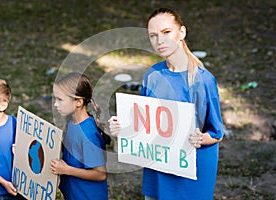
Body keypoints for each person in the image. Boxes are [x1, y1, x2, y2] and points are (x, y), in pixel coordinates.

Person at [108, 8, 224, 200]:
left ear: (182, 32)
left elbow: (216, 133)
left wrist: (201, 138)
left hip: (191, 172)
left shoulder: (203, 81)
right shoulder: (153, 76)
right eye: (153, 36)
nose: (160, 41)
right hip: (159, 166)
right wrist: (122, 126)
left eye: (166, 32)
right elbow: (145, 124)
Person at [50, 72, 110, 200]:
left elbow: (100, 174)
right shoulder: (72, 122)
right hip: (73, 194)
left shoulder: (88, 134)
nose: (55, 104)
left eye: (60, 99)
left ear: (78, 102)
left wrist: (67, 170)